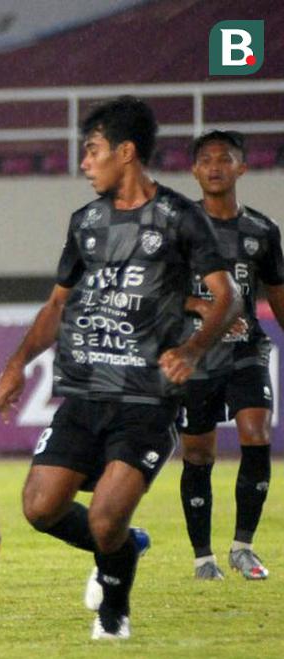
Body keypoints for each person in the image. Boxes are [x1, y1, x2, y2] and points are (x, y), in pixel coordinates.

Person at [0, 96, 239, 640]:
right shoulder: (86, 222)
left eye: (93, 150)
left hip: (146, 399)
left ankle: (114, 613)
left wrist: (194, 349)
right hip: (85, 392)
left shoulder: (179, 218)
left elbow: (227, 298)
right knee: (39, 508)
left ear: (125, 153)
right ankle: (129, 545)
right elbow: (58, 305)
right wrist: (17, 364)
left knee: (105, 516)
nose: (85, 162)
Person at [178, 130, 282, 581]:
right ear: (194, 170)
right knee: (198, 455)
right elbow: (155, 290)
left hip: (246, 351)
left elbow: (278, 297)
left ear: (242, 168)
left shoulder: (262, 232)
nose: (215, 166)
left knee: (255, 433)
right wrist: (203, 307)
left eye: (225, 159)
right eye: (206, 159)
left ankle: (243, 546)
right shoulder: (177, 228)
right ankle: (204, 558)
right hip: (196, 355)